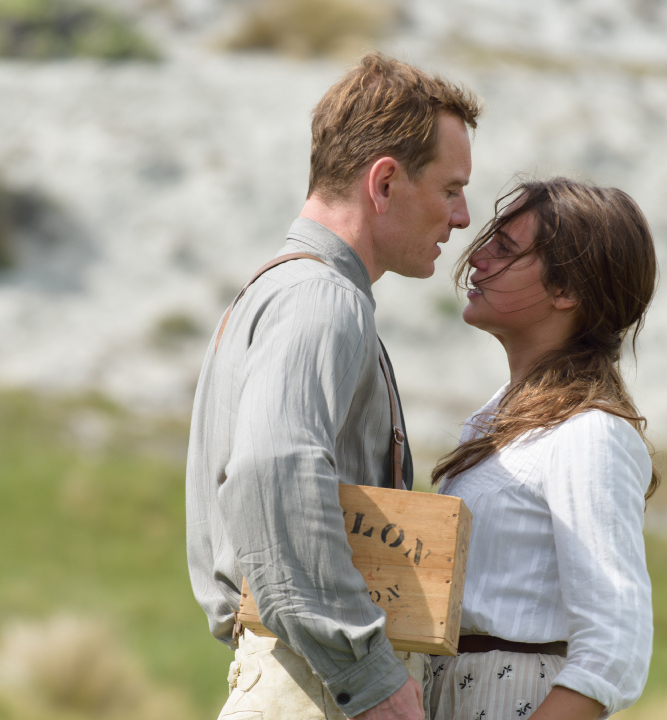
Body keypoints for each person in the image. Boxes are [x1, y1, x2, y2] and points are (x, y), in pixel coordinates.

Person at [185, 53, 481, 720]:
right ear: (384, 183)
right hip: (312, 687)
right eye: (450, 189)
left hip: (293, 671)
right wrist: (367, 674)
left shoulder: (278, 292)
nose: (462, 218)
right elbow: (272, 471)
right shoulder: (322, 300)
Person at [427, 178, 659, 720]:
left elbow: (615, 649)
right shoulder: (495, 419)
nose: (477, 257)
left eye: (505, 249)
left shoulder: (587, 434)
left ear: (566, 290)